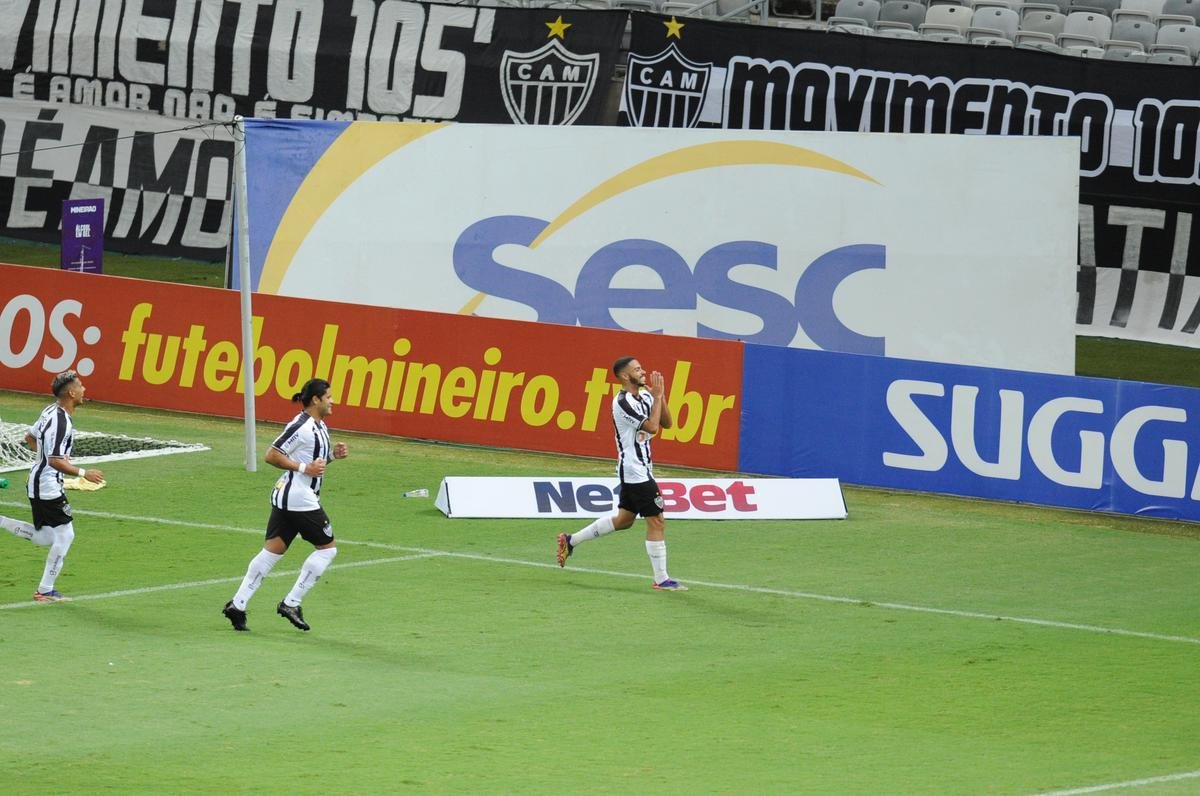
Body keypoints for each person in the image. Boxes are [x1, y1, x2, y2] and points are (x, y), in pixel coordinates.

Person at [222, 378, 348, 632]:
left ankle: (237, 605)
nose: (333, 401)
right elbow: (272, 455)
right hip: (298, 497)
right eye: (329, 397)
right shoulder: (301, 427)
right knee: (327, 549)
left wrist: (332, 456)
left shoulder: (320, 427)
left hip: (290, 495)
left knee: (272, 551)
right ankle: (292, 602)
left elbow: (315, 465)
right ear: (316, 399)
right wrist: (304, 468)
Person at [556, 356, 687, 591]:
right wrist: (657, 396)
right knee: (656, 520)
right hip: (634, 471)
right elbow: (652, 428)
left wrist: (661, 396)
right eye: (638, 369)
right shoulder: (622, 402)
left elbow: (667, 423)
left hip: (641, 469)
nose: (644, 371)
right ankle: (661, 579)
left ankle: (570, 540)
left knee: (624, 521)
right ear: (625, 376)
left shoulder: (646, 396)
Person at [0, 371, 106, 602]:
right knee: (66, 534)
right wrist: (83, 473)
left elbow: (30, 437)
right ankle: (45, 590)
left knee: (45, 537)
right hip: (47, 487)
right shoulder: (61, 422)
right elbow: (55, 460)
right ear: (71, 392)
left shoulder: (50, 410)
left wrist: (44, 460)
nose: (84, 389)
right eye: (80, 386)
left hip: (39, 482)